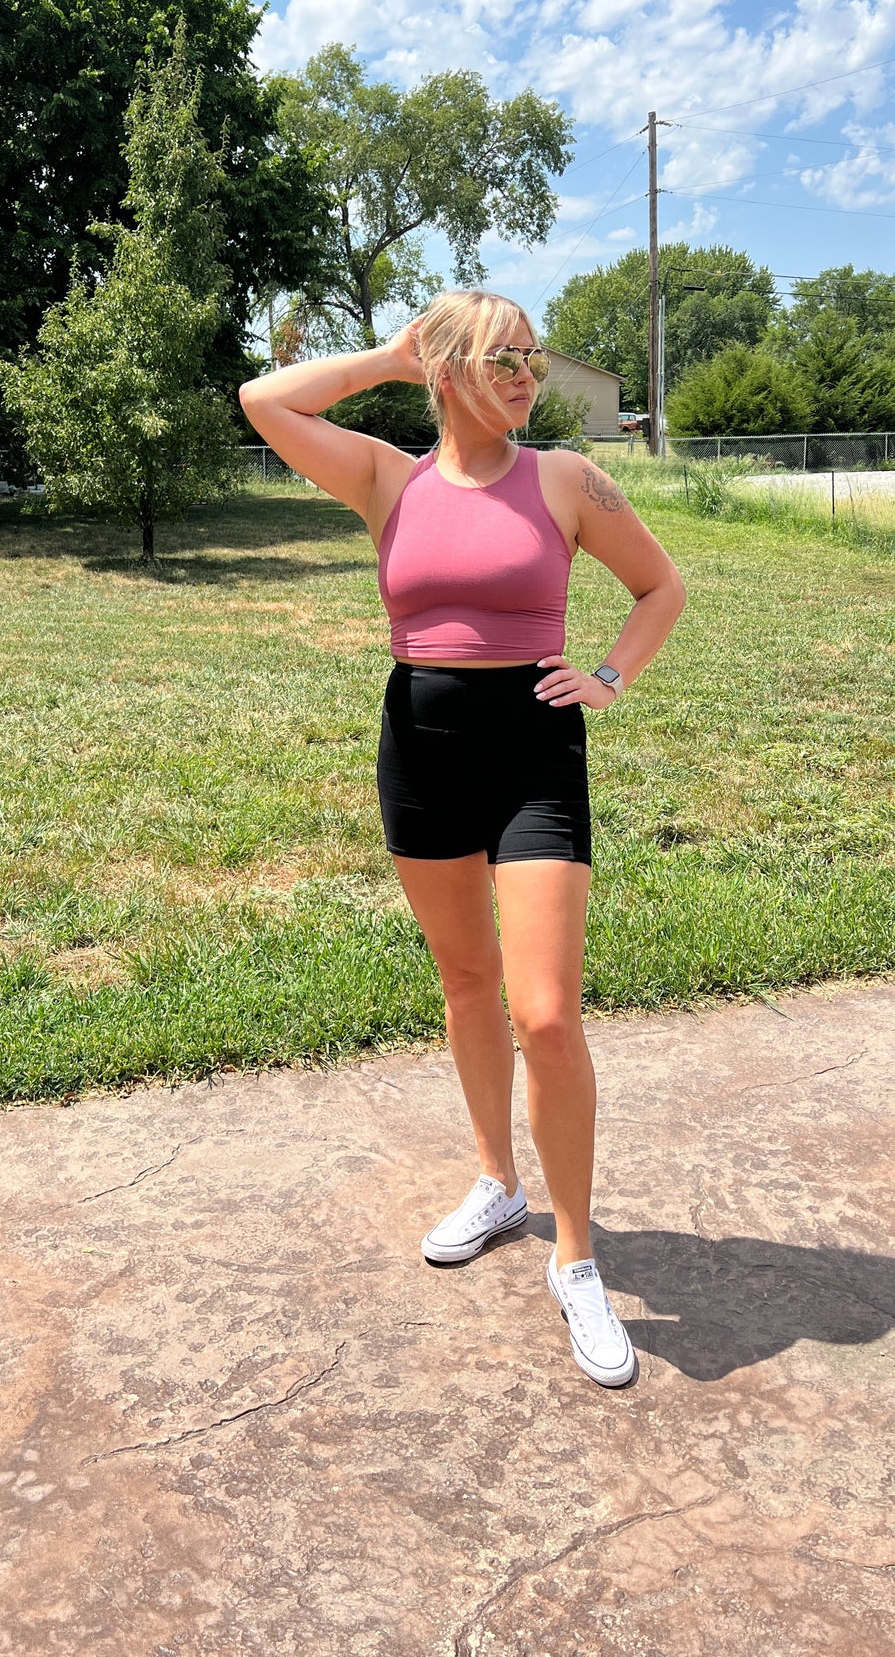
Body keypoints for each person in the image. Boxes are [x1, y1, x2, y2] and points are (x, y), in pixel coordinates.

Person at [240, 289, 685, 1387]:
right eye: (498, 358)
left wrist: (610, 675)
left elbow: (658, 585)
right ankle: (497, 1182)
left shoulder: (567, 481)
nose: (525, 376)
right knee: (465, 981)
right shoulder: (388, 477)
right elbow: (263, 397)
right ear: (443, 373)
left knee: (544, 1011)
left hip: (534, 751)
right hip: (421, 748)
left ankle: (575, 1261)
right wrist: (387, 360)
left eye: (529, 356)